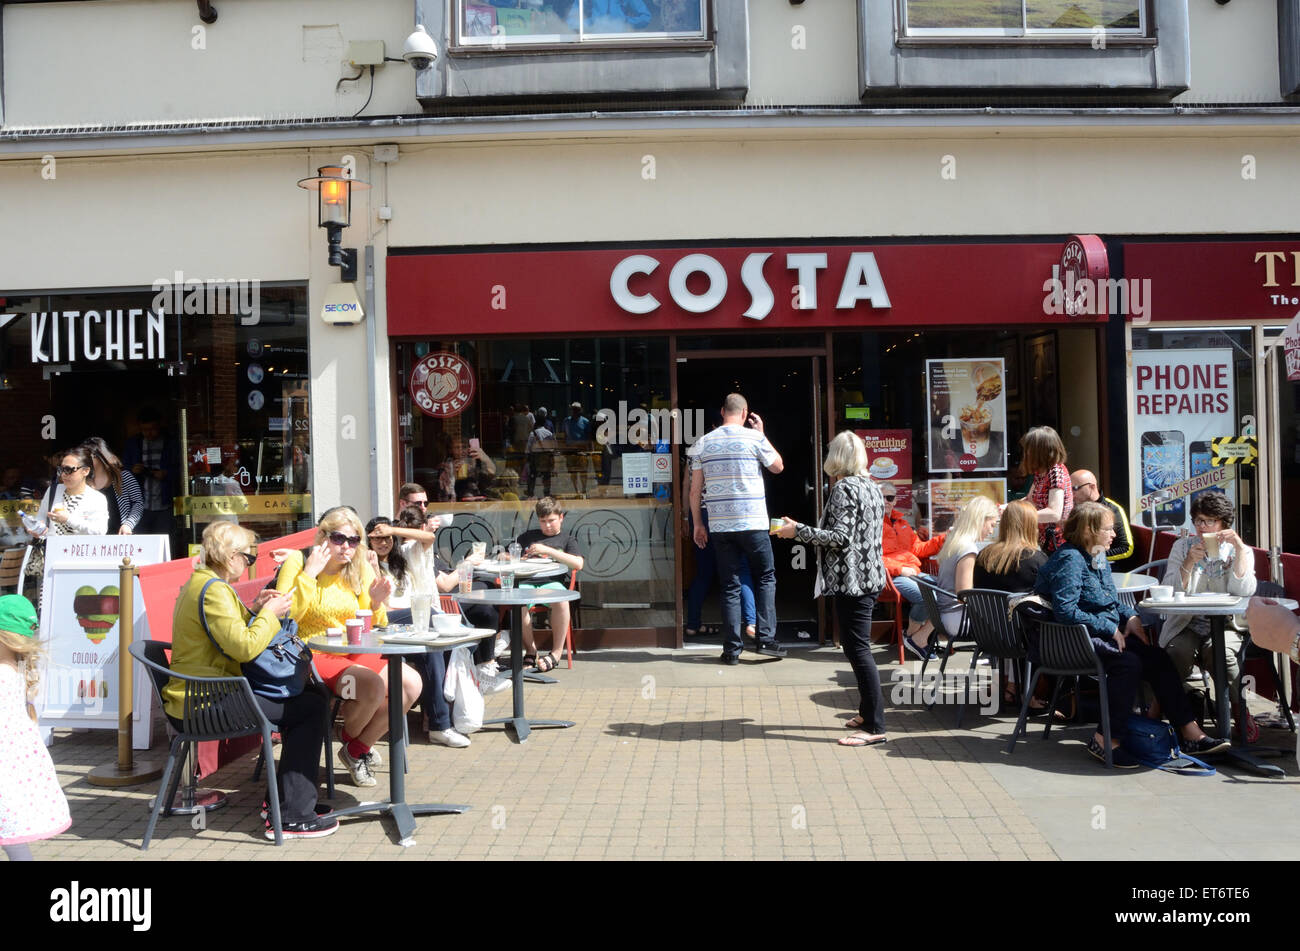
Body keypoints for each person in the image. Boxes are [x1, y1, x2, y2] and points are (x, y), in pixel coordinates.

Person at [165, 523, 335, 838]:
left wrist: (256, 607)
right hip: (205, 704)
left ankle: (285, 803)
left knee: (312, 699)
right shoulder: (214, 590)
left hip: (204, 695)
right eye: (248, 557)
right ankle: (292, 815)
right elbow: (243, 648)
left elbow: (225, 633)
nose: (249, 564)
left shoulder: (203, 583)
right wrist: (270, 613)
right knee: (310, 708)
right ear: (230, 557)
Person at [1033, 502, 1229, 767]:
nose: (1114, 535)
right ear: (1089, 530)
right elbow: (1066, 611)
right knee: (1128, 664)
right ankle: (1105, 739)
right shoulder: (1070, 559)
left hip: (1103, 635)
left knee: (1158, 657)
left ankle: (1191, 733)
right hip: (1073, 641)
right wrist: (1109, 628)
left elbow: (1110, 601)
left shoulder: (1098, 554)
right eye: (1108, 529)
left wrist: (1131, 617)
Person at [275, 507, 416, 787]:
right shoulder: (299, 561)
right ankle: (356, 744)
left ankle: (355, 748)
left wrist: (376, 602)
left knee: (411, 685)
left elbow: (374, 621)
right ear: (323, 536)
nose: (347, 547)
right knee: (371, 687)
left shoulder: (358, 566)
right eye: (339, 538)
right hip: (309, 652)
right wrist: (309, 575)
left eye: (353, 541)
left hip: (351, 648)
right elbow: (285, 616)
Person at [777, 432, 888, 747]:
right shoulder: (872, 487)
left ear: (836, 457)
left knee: (859, 650)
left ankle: (875, 725)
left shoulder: (843, 489)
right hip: (869, 578)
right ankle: (868, 713)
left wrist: (797, 531)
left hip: (851, 582)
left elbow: (840, 537)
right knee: (857, 648)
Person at [687, 393, 785, 664]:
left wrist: (698, 523)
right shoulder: (754, 438)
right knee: (765, 577)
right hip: (753, 522)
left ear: (722, 412)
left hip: (720, 525)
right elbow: (778, 466)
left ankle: (731, 651)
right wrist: (763, 434)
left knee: (729, 585)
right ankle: (765, 640)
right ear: (744, 413)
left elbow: (695, 490)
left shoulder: (703, 443)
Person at [1158, 491, 1257, 739]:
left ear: (1223, 523)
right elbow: (1170, 589)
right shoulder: (1182, 546)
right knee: (1175, 653)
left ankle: (1240, 711)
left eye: (1209, 521)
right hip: (1188, 622)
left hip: (1227, 623)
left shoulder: (1239, 549)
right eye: (1199, 520)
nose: (1202, 527)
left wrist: (1240, 551)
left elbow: (1243, 591)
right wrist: (1189, 563)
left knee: (1221, 653)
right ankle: (1161, 712)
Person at [0, 594, 71, 859]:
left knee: (11, 838)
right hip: (13, 771)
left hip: (5, 771)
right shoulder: (17, 670)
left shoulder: (3, 675)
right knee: (13, 840)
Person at [516, 497, 584, 673]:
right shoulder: (527, 537)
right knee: (517, 604)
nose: (547, 526)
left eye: (551, 520)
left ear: (561, 517)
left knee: (562, 600)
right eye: (543, 521)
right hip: (527, 582)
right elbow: (509, 555)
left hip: (552, 583)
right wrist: (511, 558)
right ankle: (531, 651)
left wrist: (547, 550)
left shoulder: (567, 539)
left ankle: (556, 653)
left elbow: (578, 564)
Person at [880, 483, 946, 658]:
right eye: (882, 497)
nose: (886, 501)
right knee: (928, 597)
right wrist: (899, 569)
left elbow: (919, 549)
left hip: (914, 572)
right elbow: (870, 557)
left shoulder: (902, 523)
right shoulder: (870, 525)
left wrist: (945, 539)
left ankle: (913, 636)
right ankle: (916, 639)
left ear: (895, 501)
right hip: (891, 577)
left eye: (890, 497)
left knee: (949, 592)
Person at [928, 495, 999, 651]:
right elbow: (964, 595)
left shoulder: (955, 542)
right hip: (958, 620)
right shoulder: (968, 549)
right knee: (1008, 624)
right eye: (992, 525)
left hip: (945, 617)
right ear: (981, 520)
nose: (991, 531)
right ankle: (1005, 671)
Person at [123, 408, 179, 549]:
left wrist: (166, 474)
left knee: (164, 545)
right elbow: (123, 469)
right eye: (145, 430)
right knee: (140, 546)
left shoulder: (171, 443)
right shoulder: (133, 444)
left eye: (153, 429)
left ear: (160, 425)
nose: (149, 433)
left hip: (165, 503)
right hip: (140, 504)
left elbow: (181, 469)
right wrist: (132, 470)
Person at [33, 446, 109, 537]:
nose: (63, 474)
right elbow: (41, 517)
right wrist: (37, 528)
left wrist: (68, 519)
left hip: (80, 550)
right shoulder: (53, 490)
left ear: (85, 471)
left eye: (68, 470)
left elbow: (99, 531)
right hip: (53, 549)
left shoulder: (97, 498)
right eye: (61, 469)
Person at [973, 499, 1046, 592]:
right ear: (1031, 527)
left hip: (985, 606)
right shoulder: (1036, 559)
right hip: (1021, 606)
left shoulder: (983, 555)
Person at [1021, 426, 1073, 554]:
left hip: (1057, 544)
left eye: (1029, 449)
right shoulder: (1041, 472)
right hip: (1045, 540)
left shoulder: (1056, 472)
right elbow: (1029, 500)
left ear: (1040, 451)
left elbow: (1054, 513)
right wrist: (1007, 508)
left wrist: (1018, 515)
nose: (1026, 453)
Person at [80, 437, 144, 536]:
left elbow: (138, 502)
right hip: (92, 538)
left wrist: (128, 524)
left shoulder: (123, 476)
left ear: (100, 456)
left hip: (121, 537)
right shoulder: (82, 480)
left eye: (89, 456)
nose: (84, 460)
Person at [1069, 469, 1133, 562]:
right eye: (1069, 489)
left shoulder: (1113, 509)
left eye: (1075, 488)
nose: (1071, 494)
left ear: (1092, 486)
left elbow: (1126, 548)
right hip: (1079, 564)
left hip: (1106, 566)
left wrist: (1093, 557)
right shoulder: (1075, 508)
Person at [526, 409, 556, 498]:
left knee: (532, 476)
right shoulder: (549, 433)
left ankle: (531, 492)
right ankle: (546, 493)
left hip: (535, 460)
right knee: (547, 476)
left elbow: (528, 449)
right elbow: (554, 447)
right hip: (546, 460)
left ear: (536, 423)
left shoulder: (532, 434)